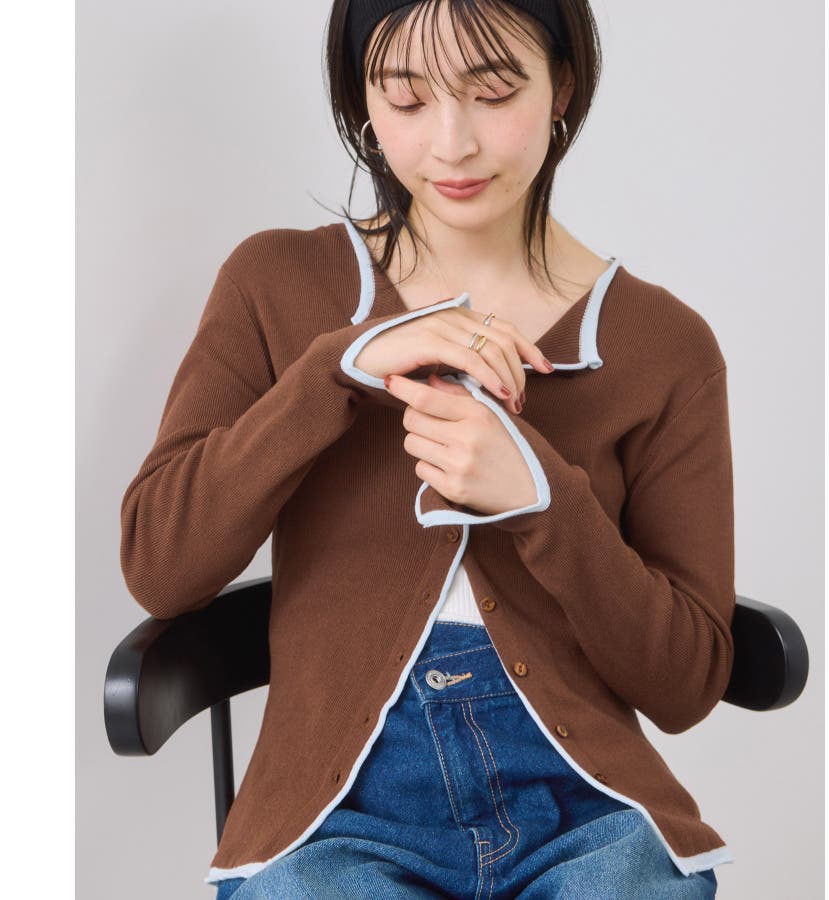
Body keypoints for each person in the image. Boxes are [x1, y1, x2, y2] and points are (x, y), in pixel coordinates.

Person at [121, 1, 735, 897]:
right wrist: (337, 369)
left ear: (563, 86)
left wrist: (543, 498)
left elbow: (687, 683)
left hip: (588, 817)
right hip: (334, 824)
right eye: (406, 99)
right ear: (361, 101)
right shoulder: (275, 284)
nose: (452, 144)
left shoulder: (663, 346)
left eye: (494, 92)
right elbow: (160, 564)